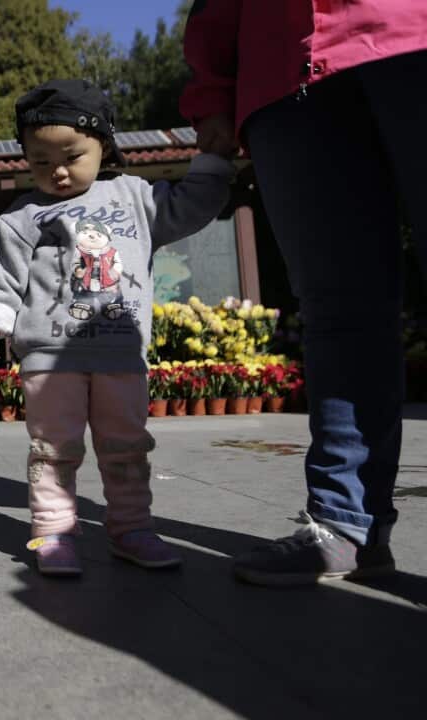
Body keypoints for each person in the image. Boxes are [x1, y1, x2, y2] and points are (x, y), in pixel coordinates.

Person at [182, 1, 427, 586]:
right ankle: (346, 523)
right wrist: (214, 87)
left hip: (410, 30)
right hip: (284, 73)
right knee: (337, 307)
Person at [0, 79, 235, 576]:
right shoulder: (22, 217)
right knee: (54, 449)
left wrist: (213, 162)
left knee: (127, 445)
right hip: (49, 358)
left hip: (119, 352)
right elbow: (3, 278)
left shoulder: (136, 197)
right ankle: (51, 531)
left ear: (104, 146)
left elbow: (190, 207)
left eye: (71, 155)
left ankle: (132, 526)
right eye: (41, 161)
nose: (59, 171)